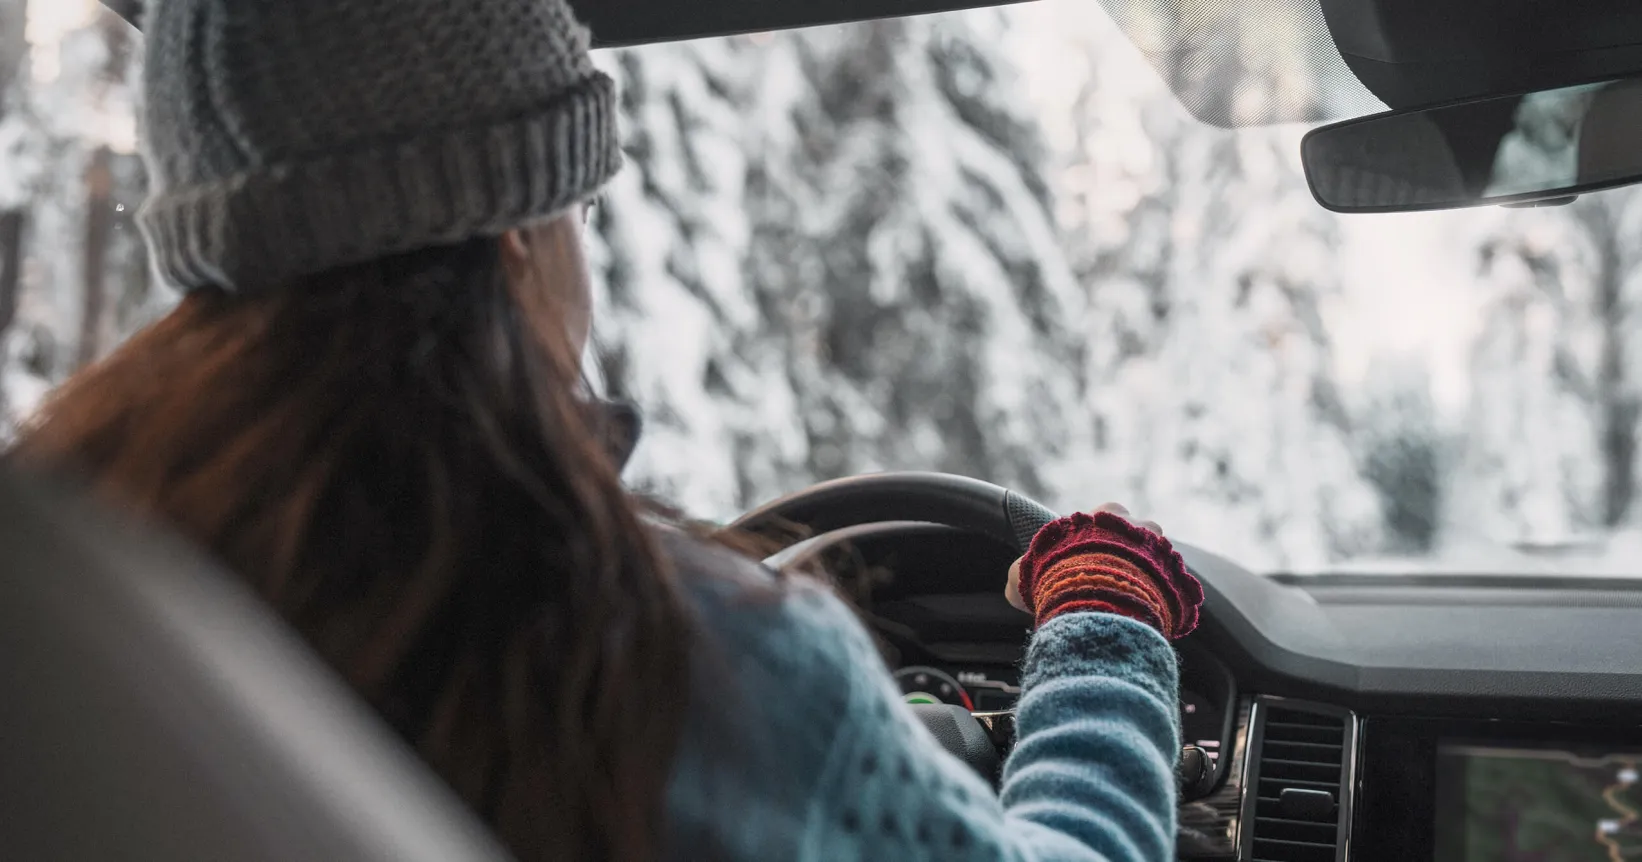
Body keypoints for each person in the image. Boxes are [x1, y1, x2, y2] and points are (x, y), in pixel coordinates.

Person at [10, 0, 1205, 860]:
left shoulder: (77, 613)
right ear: (515, 237)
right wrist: (1103, 629)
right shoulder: (679, 665)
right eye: (576, 201)